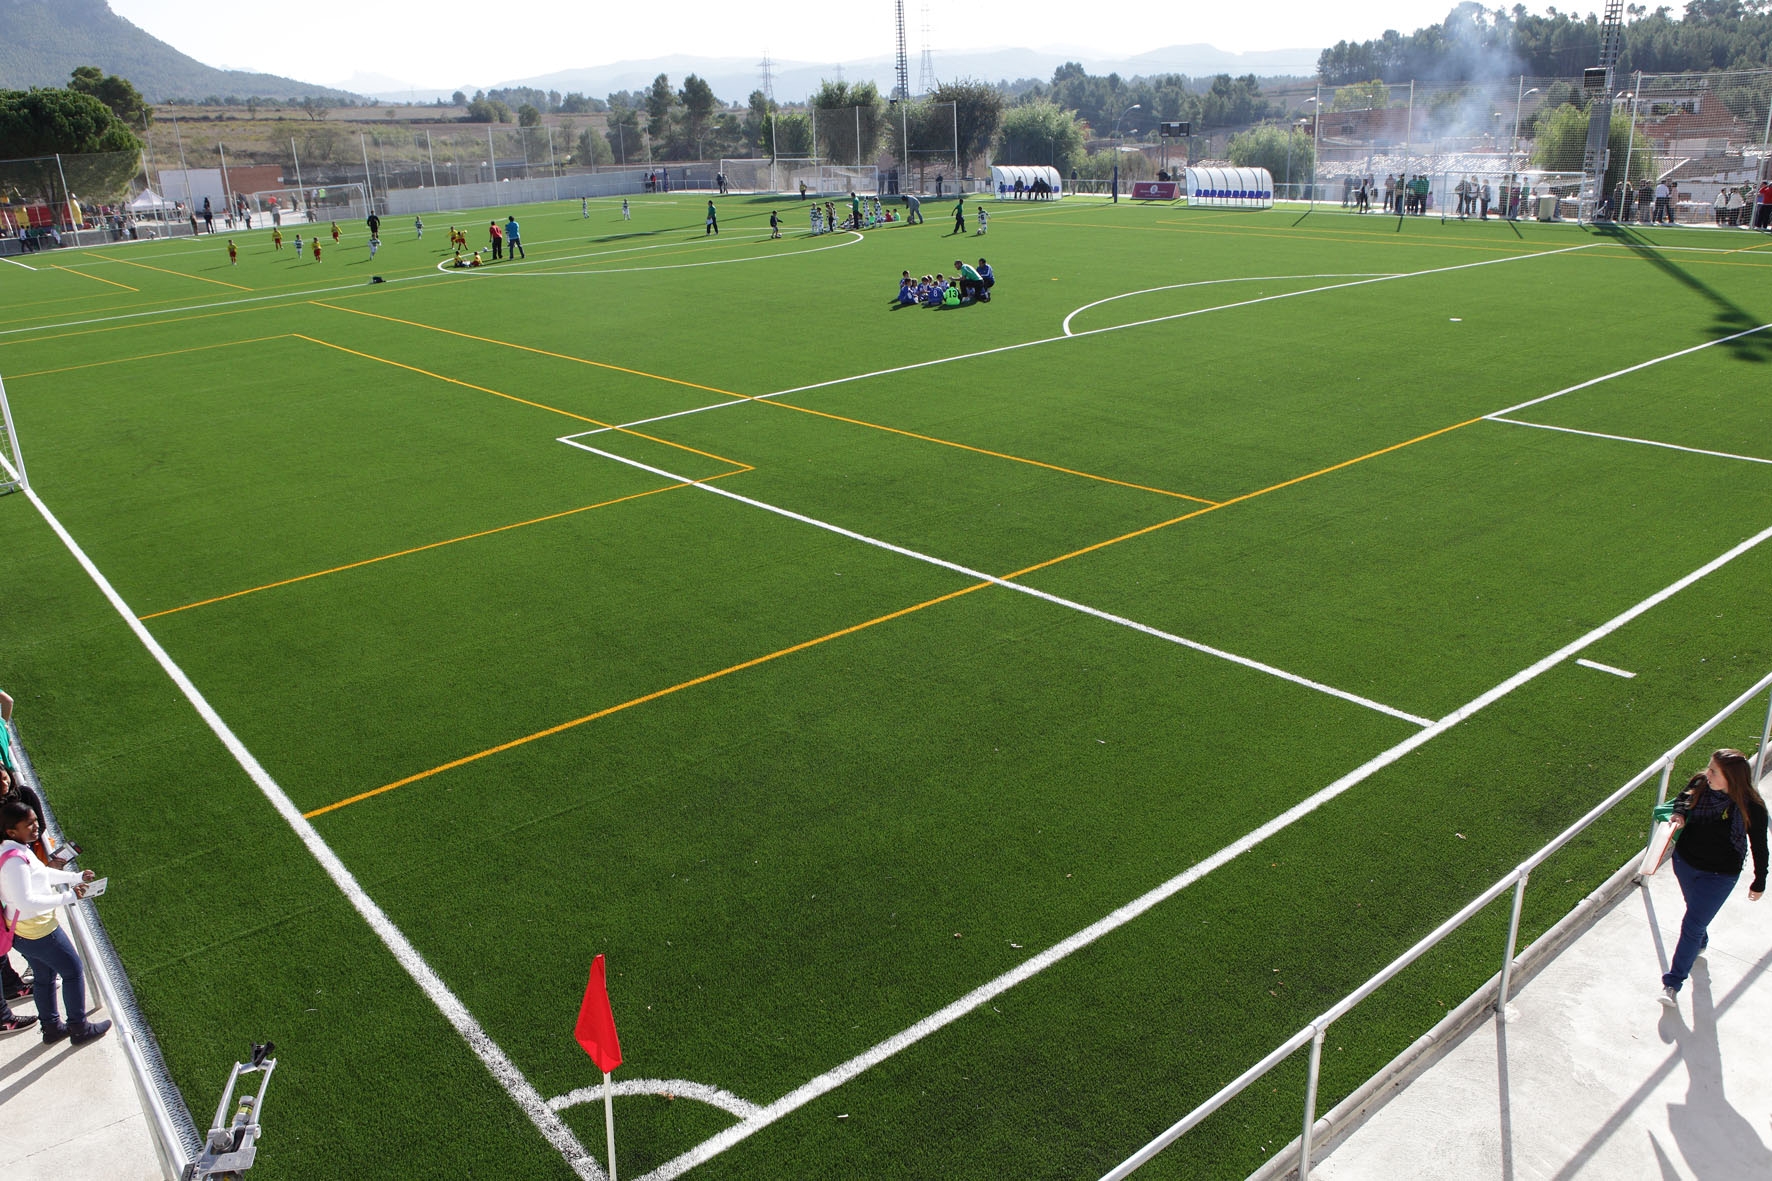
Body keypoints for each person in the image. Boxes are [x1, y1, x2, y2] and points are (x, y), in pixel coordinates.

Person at [1658, 750, 1767, 1007]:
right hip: (1685, 863)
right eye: (1709, 768)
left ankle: (1672, 984)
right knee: (1695, 916)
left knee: (1692, 924)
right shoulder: (1700, 784)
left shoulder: (1752, 808)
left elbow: (1759, 847)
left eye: (1714, 771)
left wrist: (1759, 880)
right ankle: (1701, 940)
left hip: (1720, 876)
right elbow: (1682, 800)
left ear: (1731, 777)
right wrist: (1679, 815)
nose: (1707, 774)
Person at [1, 799, 111, 1046]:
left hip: (24, 931)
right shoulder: (15, 861)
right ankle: (79, 1027)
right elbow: (27, 901)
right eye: (28, 824)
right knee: (73, 971)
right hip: (38, 931)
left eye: (35, 821)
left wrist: (75, 877)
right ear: (11, 831)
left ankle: (51, 1028)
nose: (35, 827)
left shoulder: (15, 851)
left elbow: (42, 873)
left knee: (44, 977)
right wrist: (70, 896)